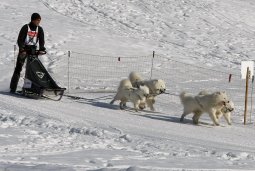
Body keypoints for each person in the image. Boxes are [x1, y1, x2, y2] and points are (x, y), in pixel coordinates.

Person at [10, 13, 46, 93]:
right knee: (18, 68)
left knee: (32, 70)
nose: (38, 22)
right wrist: (22, 49)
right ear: (33, 20)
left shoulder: (39, 29)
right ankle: (13, 88)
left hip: (33, 50)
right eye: (37, 20)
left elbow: (41, 40)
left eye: (39, 21)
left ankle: (28, 88)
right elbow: (20, 40)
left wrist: (41, 48)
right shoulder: (25, 27)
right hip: (24, 49)